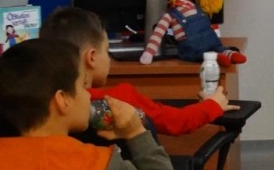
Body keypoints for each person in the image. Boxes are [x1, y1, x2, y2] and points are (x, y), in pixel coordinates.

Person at [0, 39, 186, 170]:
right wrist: (137, 134)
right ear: (62, 100)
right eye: (83, 85)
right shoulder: (95, 165)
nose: (89, 95)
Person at [39, 7, 240, 136]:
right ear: (91, 58)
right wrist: (213, 104)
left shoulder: (40, 103)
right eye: (106, 50)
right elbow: (177, 122)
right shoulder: (119, 100)